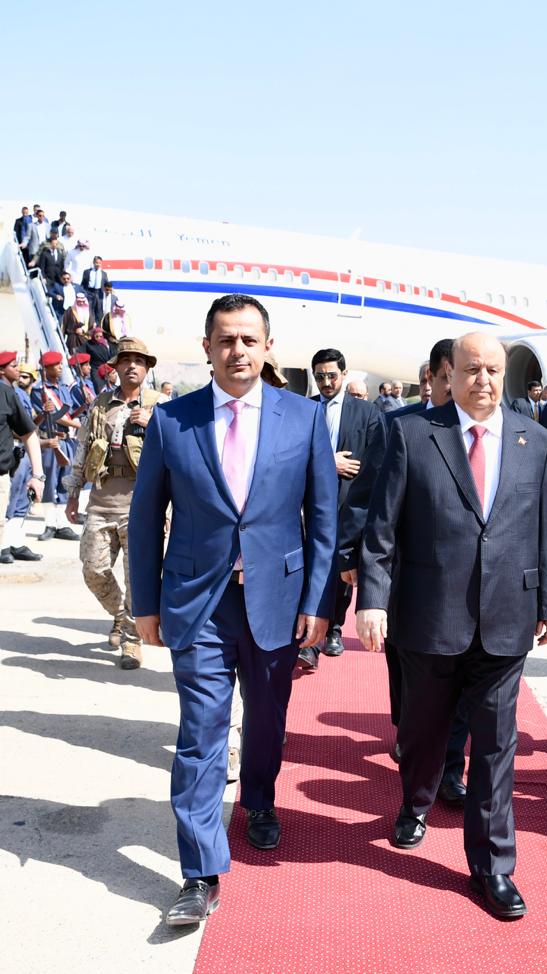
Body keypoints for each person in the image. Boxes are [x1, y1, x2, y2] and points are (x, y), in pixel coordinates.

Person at [128, 293, 337, 926]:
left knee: (268, 719)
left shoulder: (304, 418)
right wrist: (145, 604)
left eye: (249, 339)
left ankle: (260, 800)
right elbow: (145, 518)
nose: (237, 350)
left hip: (277, 600)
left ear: (268, 347)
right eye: (226, 339)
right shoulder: (172, 420)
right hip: (199, 603)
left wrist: (317, 602)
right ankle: (199, 873)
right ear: (207, 347)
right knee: (201, 733)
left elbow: (323, 520)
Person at [355, 332, 547, 920]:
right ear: (449, 374)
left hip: (507, 616)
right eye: (472, 369)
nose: (483, 380)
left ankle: (493, 866)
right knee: (423, 732)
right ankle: (416, 800)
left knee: (497, 744)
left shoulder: (536, 440)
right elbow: (382, 527)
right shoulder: (412, 433)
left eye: (493, 370)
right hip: (428, 616)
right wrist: (373, 599)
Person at [374, 339, 472, 799]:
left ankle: (450, 772)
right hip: (408, 583)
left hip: (468, 590)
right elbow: (373, 503)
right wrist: (355, 560)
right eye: (449, 376)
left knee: (462, 692)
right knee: (412, 685)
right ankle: (410, 734)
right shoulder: (401, 426)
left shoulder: (488, 432)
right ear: (432, 377)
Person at [65, 338, 164, 669]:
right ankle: (120, 616)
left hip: (142, 506)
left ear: (147, 368)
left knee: (137, 578)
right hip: (101, 501)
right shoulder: (100, 404)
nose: (132, 365)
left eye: (139, 361)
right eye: (126, 360)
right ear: (116, 367)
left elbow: (178, 455)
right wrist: (73, 493)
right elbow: (83, 449)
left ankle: (132, 641)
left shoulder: (161, 406)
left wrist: (154, 424)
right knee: (93, 570)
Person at [304, 347, 385, 664]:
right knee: (312, 569)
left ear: (344, 374)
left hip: (350, 506)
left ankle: (334, 629)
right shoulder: (305, 409)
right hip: (309, 504)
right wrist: (327, 462)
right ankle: (309, 641)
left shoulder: (367, 413)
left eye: (331, 376)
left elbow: (376, 463)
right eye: (320, 377)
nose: (326, 382)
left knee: (342, 570)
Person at [0, 353, 46, 564]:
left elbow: (28, 431)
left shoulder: (7, 394)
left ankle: (12, 543)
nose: (18, 369)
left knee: (18, 503)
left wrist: (38, 476)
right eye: (14, 365)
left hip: (5, 468)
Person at [31, 350, 81, 541]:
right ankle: (50, 524)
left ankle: (62, 524)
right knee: (50, 483)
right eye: (57, 365)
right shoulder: (39, 390)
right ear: (47, 368)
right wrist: (77, 425)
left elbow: (68, 413)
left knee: (65, 482)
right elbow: (52, 416)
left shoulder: (63, 388)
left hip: (66, 440)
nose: (60, 368)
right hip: (51, 441)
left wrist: (82, 409)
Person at [80, 256, 109, 325]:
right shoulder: (87, 272)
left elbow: (106, 284)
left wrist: (108, 291)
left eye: (99, 263)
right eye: (96, 262)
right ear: (93, 262)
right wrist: (83, 293)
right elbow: (83, 283)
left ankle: (99, 327)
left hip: (99, 293)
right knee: (89, 310)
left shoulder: (104, 273)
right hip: (89, 292)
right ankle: (90, 326)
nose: (98, 264)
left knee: (99, 311)